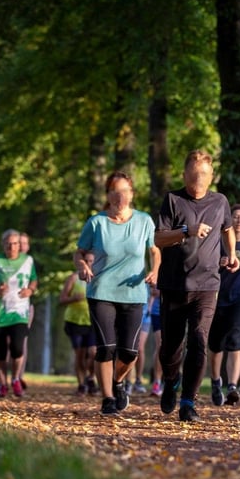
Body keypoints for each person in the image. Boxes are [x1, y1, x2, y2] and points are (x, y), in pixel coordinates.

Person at [154, 150, 239, 422]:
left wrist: (233, 253)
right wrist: (186, 231)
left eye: (203, 173)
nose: (197, 178)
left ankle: (188, 402)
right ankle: (171, 380)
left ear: (211, 176)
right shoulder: (172, 200)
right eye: (193, 173)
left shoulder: (220, 202)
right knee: (170, 347)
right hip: (174, 284)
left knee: (199, 342)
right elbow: (158, 239)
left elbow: (227, 229)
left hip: (207, 284)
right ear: (184, 174)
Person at [74, 171, 161, 417]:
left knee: (130, 352)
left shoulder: (144, 221)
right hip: (101, 290)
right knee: (106, 348)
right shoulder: (96, 222)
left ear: (131, 194)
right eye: (114, 191)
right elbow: (79, 252)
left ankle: (119, 381)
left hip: (134, 293)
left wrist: (155, 270)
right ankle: (108, 398)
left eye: (124, 191)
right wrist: (82, 265)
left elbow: (154, 250)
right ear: (108, 195)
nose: (119, 196)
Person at [208, 204, 240, 406]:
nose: (239, 220)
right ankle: (216, 381)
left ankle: (233, 386)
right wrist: (218, 262)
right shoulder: (218, 240)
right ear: (230, 219)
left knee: (236, 339)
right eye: (236, 216)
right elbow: (208, 261)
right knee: (216, 344)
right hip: (218, 296)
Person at [0, 229, 38, 398]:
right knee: (0, 352)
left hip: (19, 311)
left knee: (17, 348)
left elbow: (33, 279)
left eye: (15, 243)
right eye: (8, 244)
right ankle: (3, 383)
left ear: (19, 245)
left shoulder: (28, 260)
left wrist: (31, 290)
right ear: (3, 245)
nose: (11, 247)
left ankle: (15, 379)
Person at [59, 252, 97, 395]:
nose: (89, 263)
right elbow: (62, 299)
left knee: (93, 353)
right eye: (86, 260)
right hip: (75, 321)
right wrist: (73, 298)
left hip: (93, 321)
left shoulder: (98, 278)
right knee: (80, 355)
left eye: (91, 260)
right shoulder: (73, 278)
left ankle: (91, 377)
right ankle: (81, 384)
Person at [15, 232, 36, 390]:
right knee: (8, 343)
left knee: (23, 341)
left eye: (24, 243)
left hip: (26, 305)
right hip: (6, 306)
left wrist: (30, 291)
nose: (22, 246)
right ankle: (8, 377)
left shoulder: (30, 262)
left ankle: (18, 377)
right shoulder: (5, 260)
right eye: (19, 243)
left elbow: (34, 283)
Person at [146, 287, 164, 396]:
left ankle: (170, 378)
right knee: (160, 345)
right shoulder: (156, 269)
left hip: (176, 310)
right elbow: (153, 290)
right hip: (157, 311)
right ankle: (157, 382)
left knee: (174, 347)